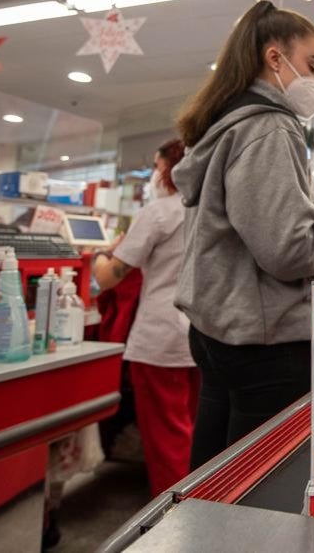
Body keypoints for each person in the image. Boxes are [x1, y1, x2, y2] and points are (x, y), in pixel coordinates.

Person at [172, 0, 314, 469]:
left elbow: (275, 216)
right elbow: (288, 249)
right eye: (313, 66)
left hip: (218, 332)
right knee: (259, 494)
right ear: (274, 57)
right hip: (266, 346)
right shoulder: (269, 128)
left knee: (213, 478)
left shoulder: (224, 128)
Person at [93, 139, 199, 495]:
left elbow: (109, 276)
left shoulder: (159, 212)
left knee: (167, 440)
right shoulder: (215, 210)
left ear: (171, 168)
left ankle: (174, 524)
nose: (155, 175)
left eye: (156, 166)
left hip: (161, 340)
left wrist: (101, 255)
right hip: (205, 337)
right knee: (198, 433)